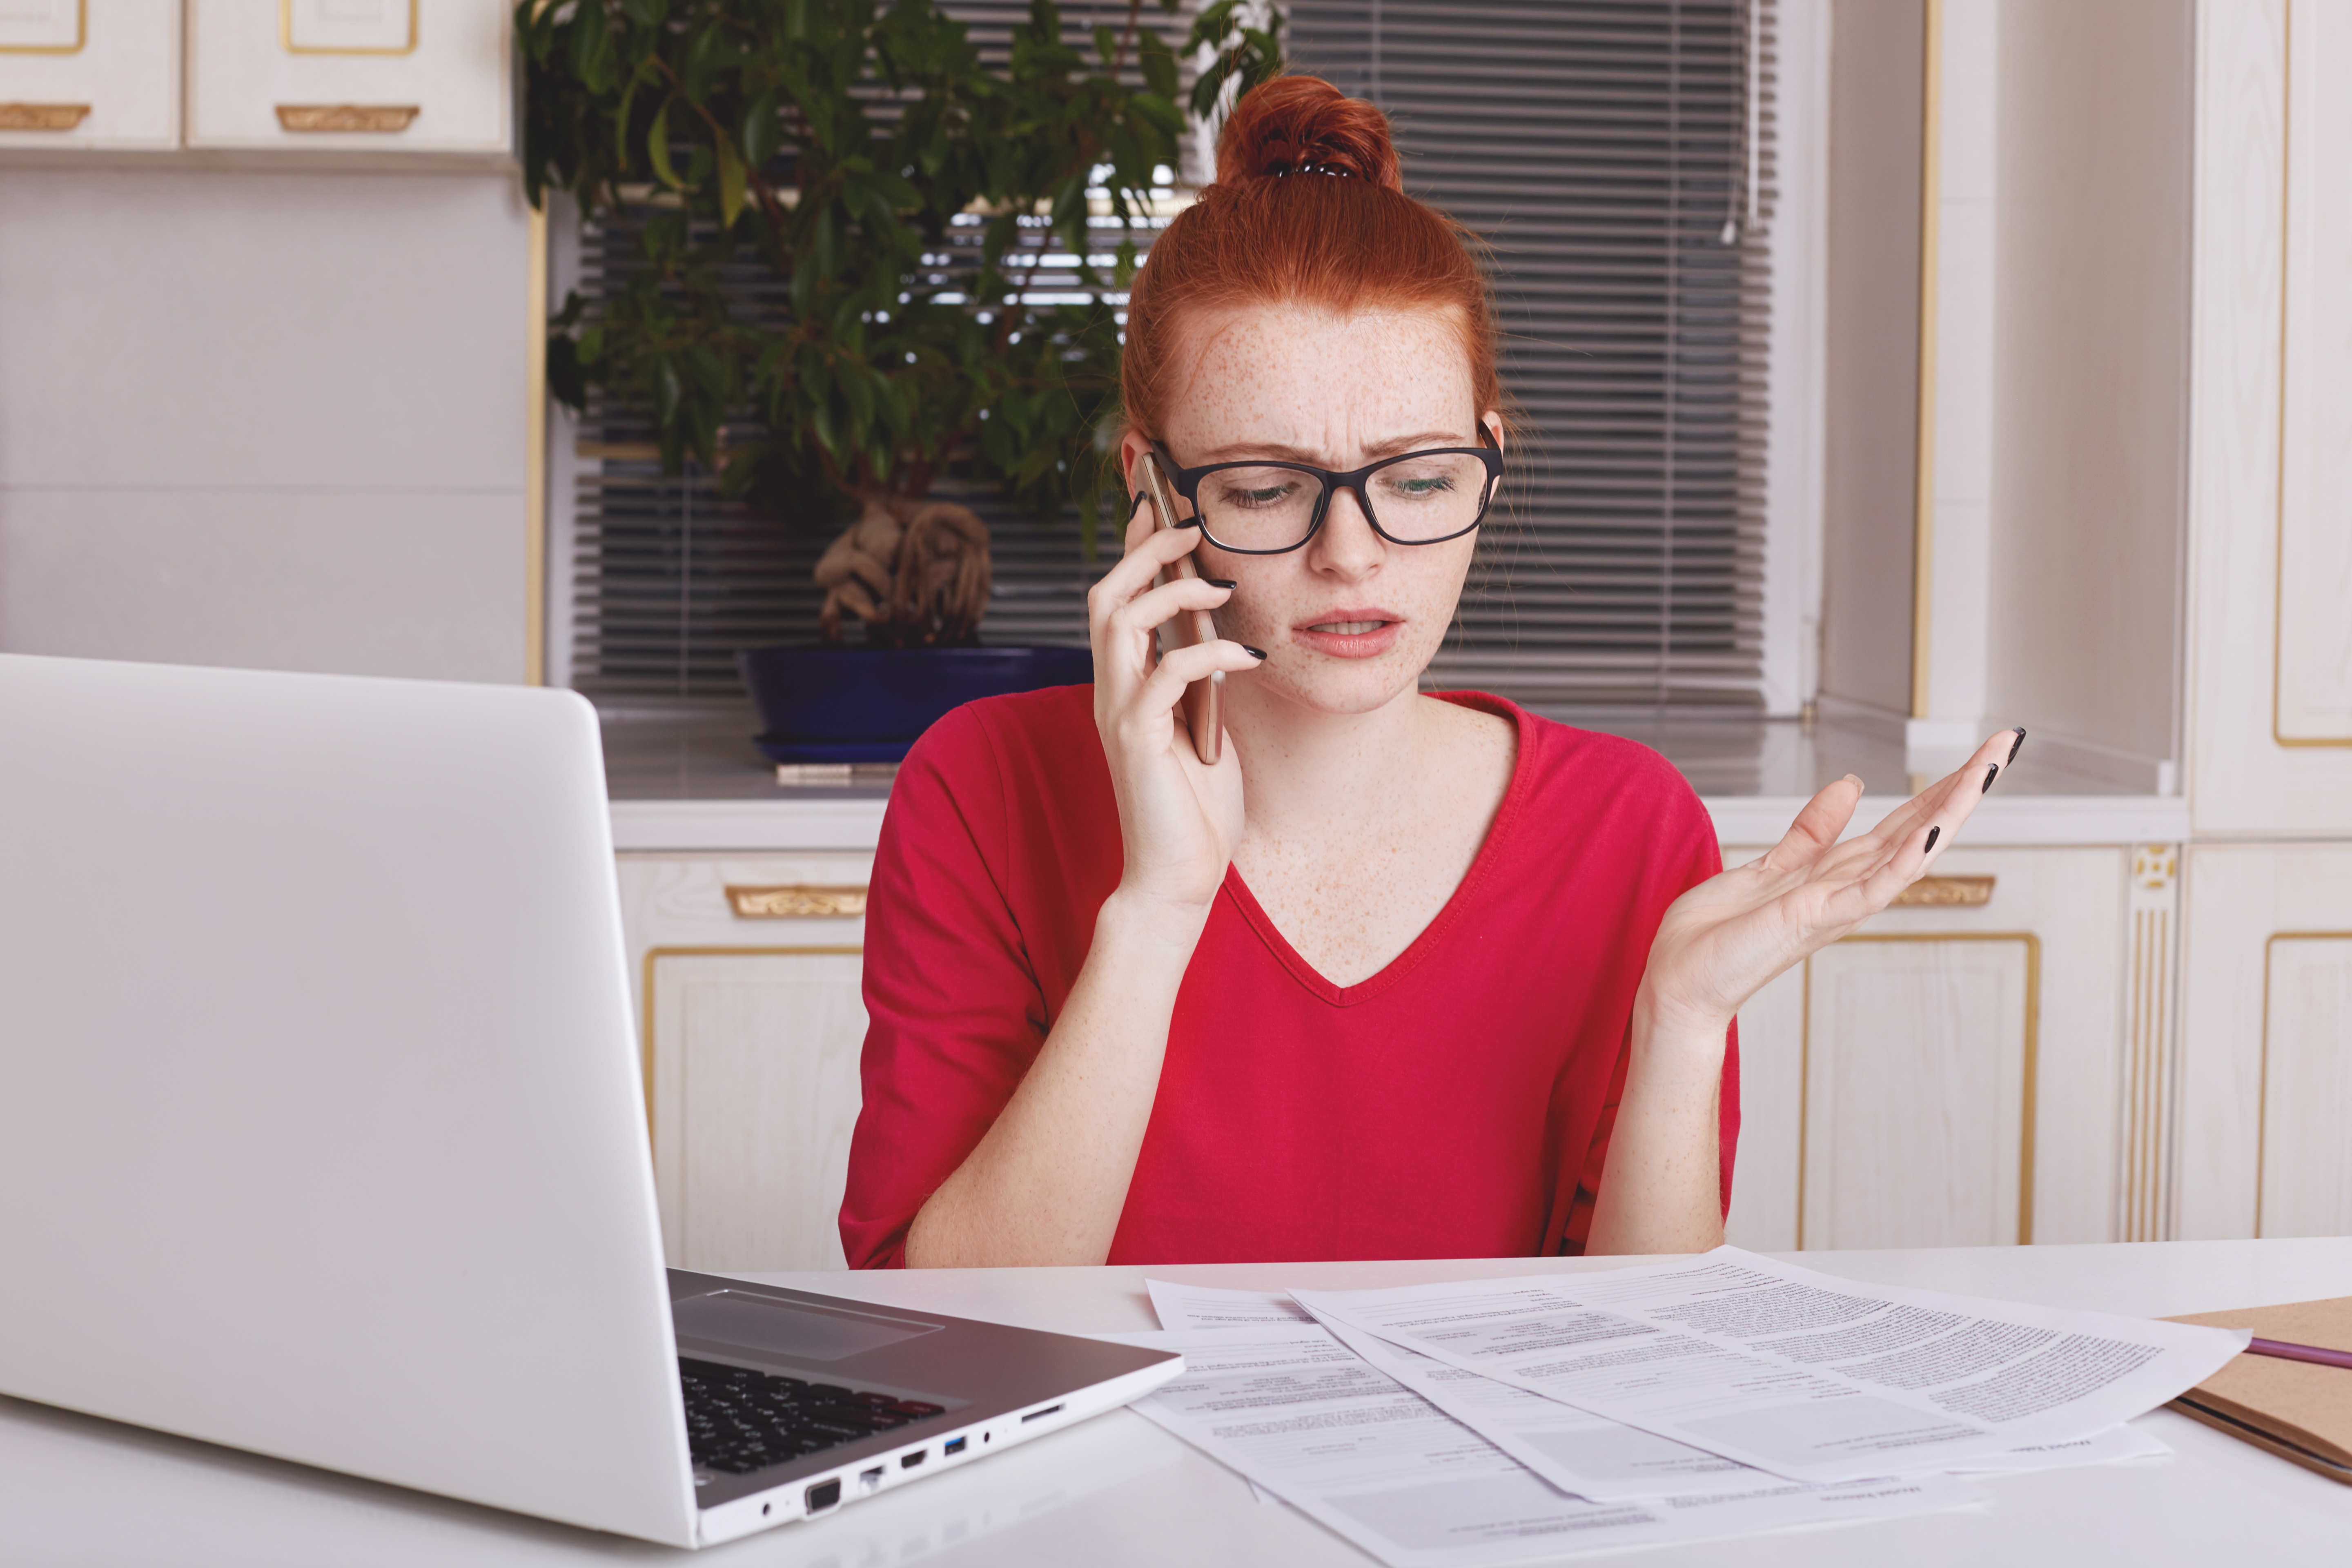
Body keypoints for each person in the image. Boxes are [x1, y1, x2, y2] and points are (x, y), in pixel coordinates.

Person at [838, 76, 2015, 1270]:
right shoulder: (981, 791)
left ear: (1486, 462)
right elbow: (951, 1336)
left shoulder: (1630, 827)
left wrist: (1683, 1019)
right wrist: (1155, 914)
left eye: (1415, 482)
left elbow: (1640, 1368)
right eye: (1262, 488)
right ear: (1151, 490)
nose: (1350, 557)